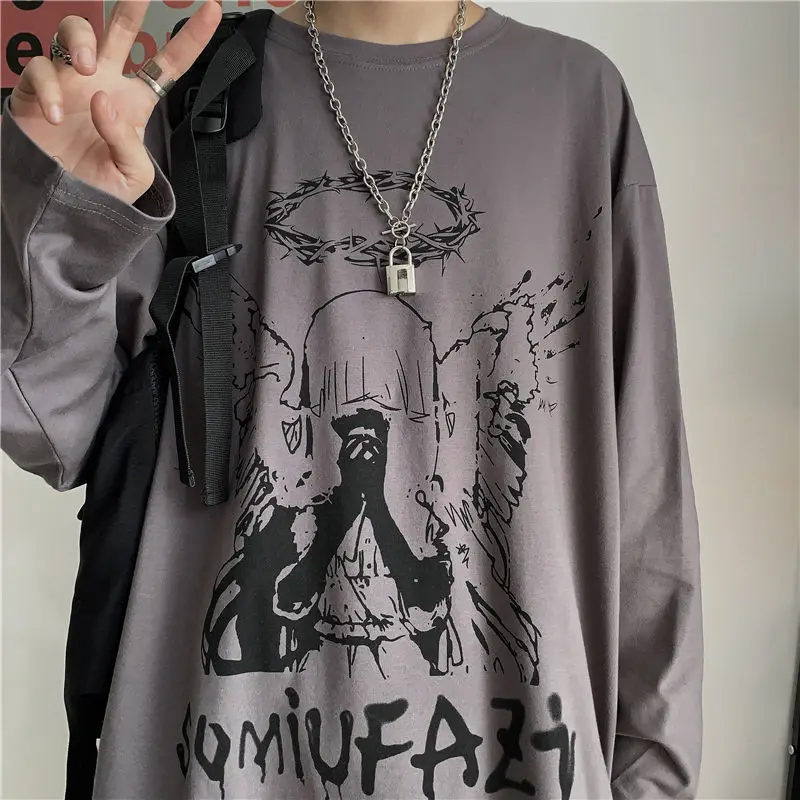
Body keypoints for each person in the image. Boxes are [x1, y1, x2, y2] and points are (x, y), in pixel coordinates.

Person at [0, 1, 703, 798]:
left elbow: (647, 496)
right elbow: (51, 427)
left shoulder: (579, 100)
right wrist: (60, 219)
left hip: (519, 759)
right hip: (224, 762)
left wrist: (651, 780)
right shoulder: (193, 98)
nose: (365, 428)